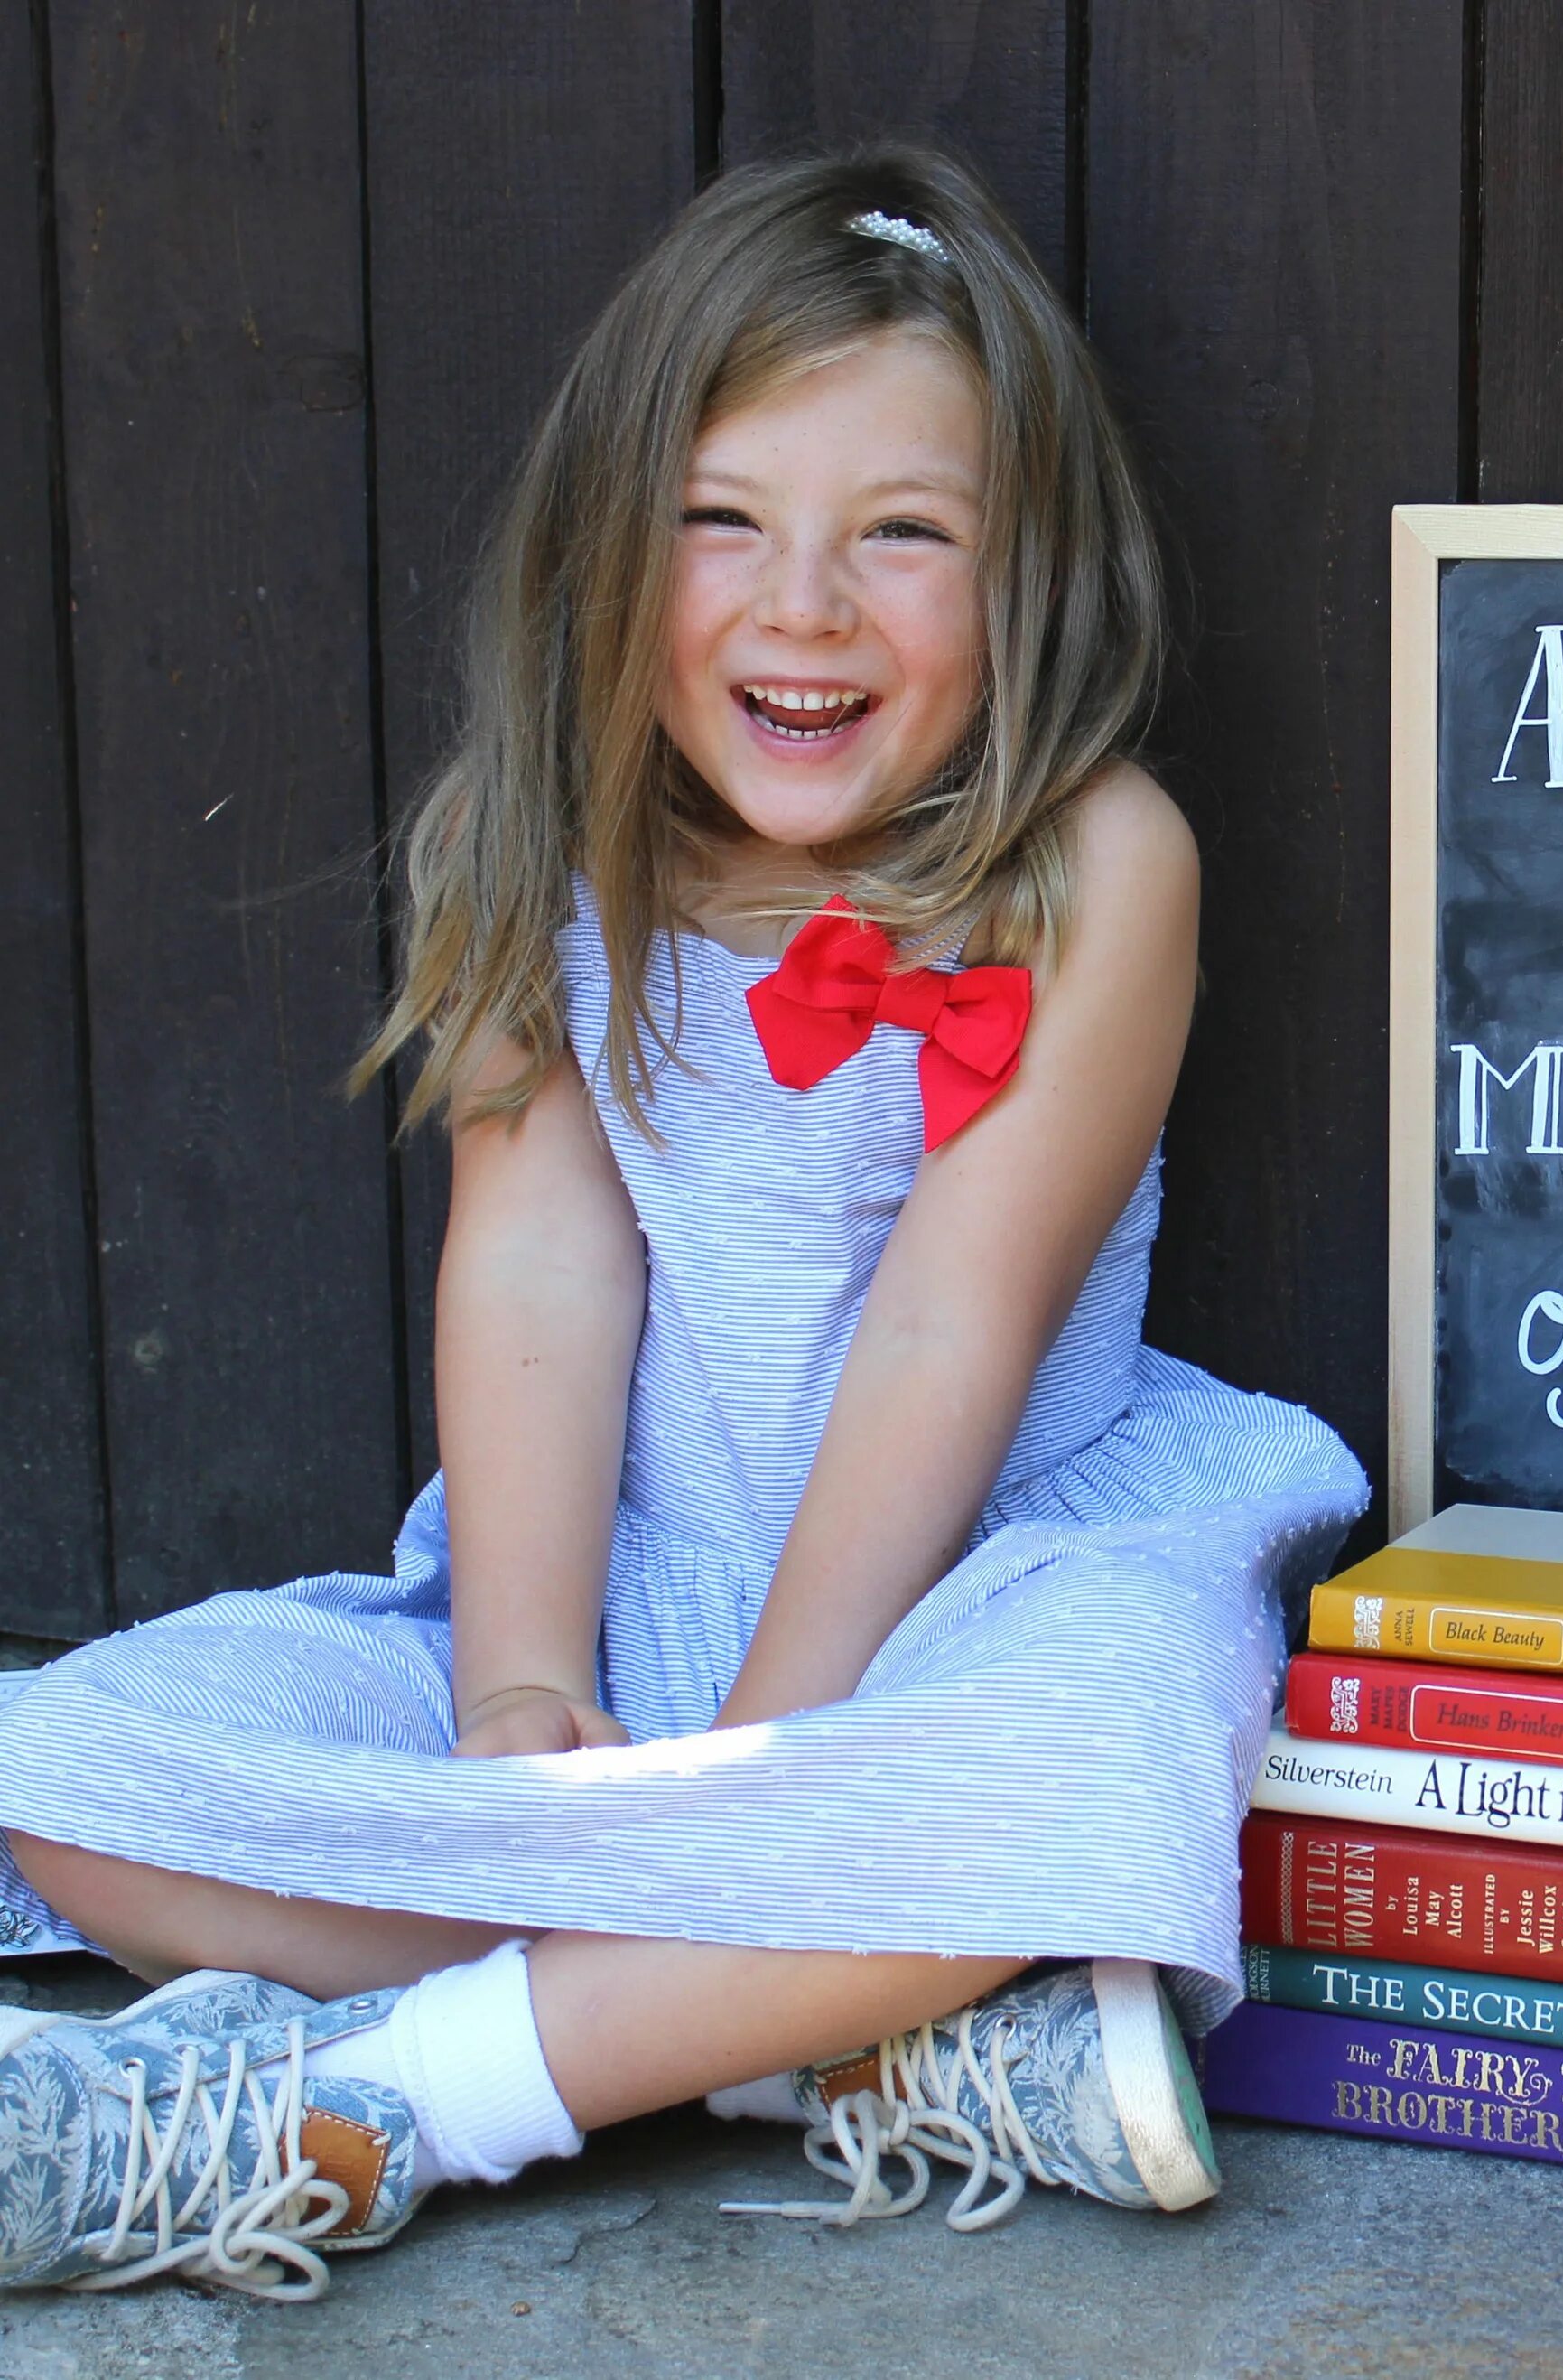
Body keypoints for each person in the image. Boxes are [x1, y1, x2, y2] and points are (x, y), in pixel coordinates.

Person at [0, 148, 1365, 2301]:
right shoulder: (552, 842)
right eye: (720, 521)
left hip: (959, 1601)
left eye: (900, 536)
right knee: (60, 1769)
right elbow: (538, 1273)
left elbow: (954, 1320)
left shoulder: (1101, 863)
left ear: (1032, 580)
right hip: (622, 1607)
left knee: (1122, 1743)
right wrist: (526, 1692)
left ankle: (374, 2105)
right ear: (611, 550)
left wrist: (778, 1765)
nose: (801, 605)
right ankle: (810, 2043)